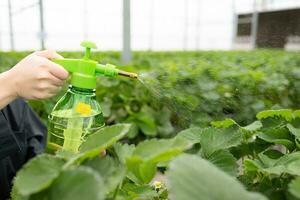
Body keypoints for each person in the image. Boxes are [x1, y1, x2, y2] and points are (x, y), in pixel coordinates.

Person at [0, 50, 69, 199]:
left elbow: (38, 161)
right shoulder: (10, 91)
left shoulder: (15, 106)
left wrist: (69, 170)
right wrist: (9, 84)